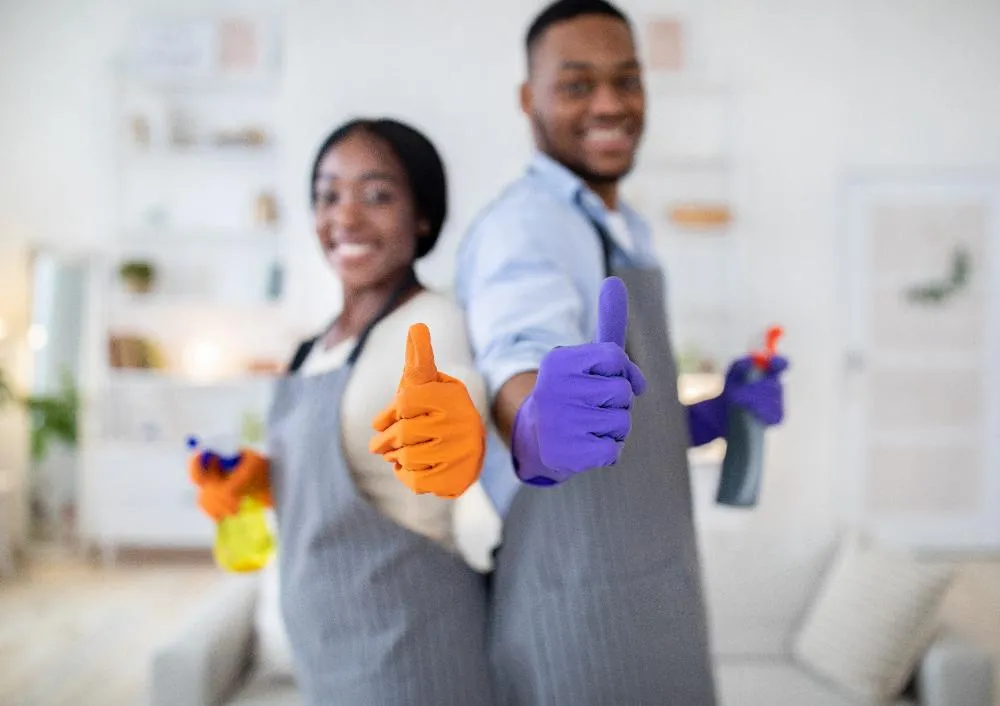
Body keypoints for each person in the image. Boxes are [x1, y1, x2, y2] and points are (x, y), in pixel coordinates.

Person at [451, 1, 789, 703]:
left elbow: (627, 421)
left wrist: (710, 415)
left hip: (658, 595)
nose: (609, 104)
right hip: (578, 610)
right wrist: (535, 421)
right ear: (528, 99)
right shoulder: (526, 226)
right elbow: (518, 355)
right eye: (577, 84)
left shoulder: (626, 227)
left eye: (627, 80)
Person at [188, 118, 497, 706]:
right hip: (327, 649)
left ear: (423, 215)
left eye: (377, 195)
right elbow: (331, 480)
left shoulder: (431, 324)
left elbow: (457, 402)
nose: (346, 218)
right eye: (329, 196)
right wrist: (257, 480)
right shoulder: (312, 347)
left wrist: (456, 434)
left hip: (412, 645)